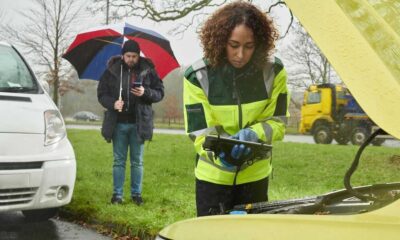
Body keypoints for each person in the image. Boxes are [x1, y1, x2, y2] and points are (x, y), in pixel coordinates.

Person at [183, 1, 289, 216]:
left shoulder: (273, 72)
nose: (240, 54)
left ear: (259, 44)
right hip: (212, 180)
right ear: (221, 41)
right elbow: (199, 132)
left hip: (254, 179)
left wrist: (253, 135)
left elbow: (278, 122)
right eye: (234, 45)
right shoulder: (198, 76)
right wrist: (224, 152)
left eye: (249, 46)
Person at [97, 40, 164, 205]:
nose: (131, 59)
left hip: (139, 123)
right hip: (118, 124)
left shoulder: (148, 71)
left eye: (134, 56)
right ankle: (117, 195)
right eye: (128, 56)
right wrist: (113, 103)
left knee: (137, 161)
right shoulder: (111, 71)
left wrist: (145, 92)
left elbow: (160, 93)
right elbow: (101, 94)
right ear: (123, 55)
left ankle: (136, 195)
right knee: (119, 161)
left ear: (139, 55)